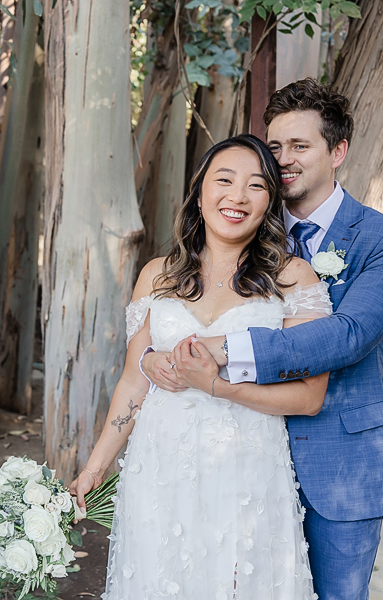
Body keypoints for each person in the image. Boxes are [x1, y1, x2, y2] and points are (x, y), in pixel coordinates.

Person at [142, 79, 383, 600]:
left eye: (300, 146)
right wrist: (157, 357)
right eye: (274, 146)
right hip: (238, 463)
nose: (283, 159)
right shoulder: (238, 223)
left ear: (337, 152)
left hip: (338, 466)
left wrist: (222, 348)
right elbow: (174, 315)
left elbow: (350, 335)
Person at [69, 134, 331, 599]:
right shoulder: (158, 274)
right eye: (224, 180)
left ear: (270, 201)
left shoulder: (293, 279)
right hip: (159, 467)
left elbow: (309, 398)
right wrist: (94, 468)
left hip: (248, 471)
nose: (237, 196)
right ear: (200, 191)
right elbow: (134, 380)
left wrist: (216, 386)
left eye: (256, 185)